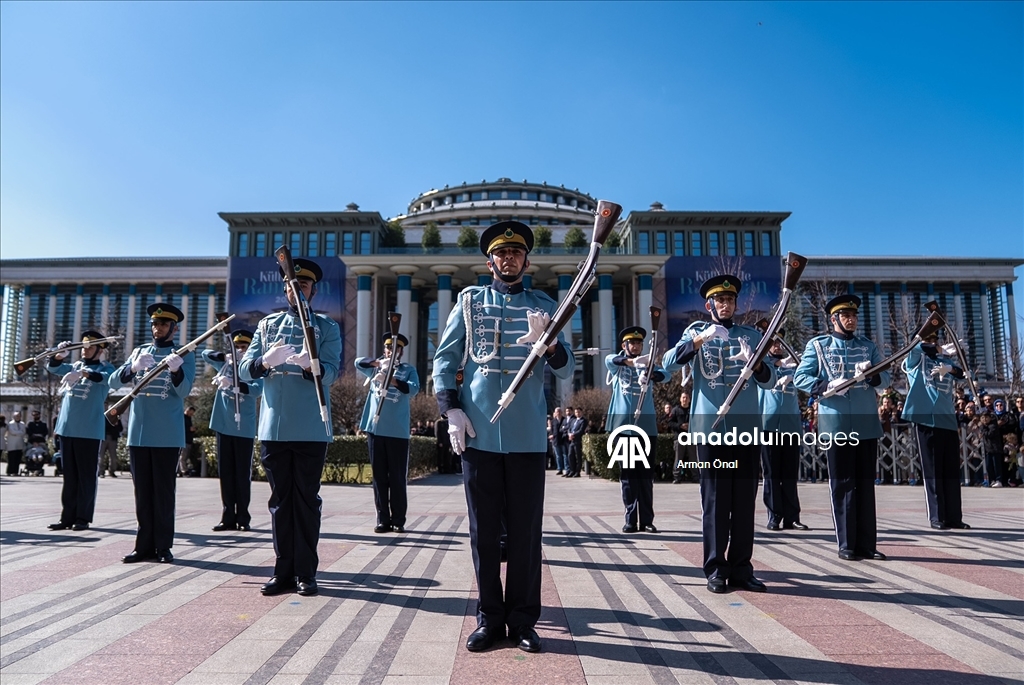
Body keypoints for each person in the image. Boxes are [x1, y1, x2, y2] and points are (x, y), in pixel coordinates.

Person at [433, 220, 574, 653]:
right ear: (490, 260)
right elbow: (445, 357)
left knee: (527, 533)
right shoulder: (469, 300)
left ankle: (523, 621)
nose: (508, 258)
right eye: (501, 253)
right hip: (478, 433)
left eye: (515, 253)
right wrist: (449, 408)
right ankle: (490, 618)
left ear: (526, 261)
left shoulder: (544, 303)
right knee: (483, 532)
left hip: (528, 435)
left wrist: (548, 345)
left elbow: (566, 367)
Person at [662, 274, 774, 594]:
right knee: (714, 502)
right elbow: (670, 362)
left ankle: (741, 568)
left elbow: (769, 379)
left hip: (746, 432)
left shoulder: (750, 336)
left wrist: (755, 362)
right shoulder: (695, 332)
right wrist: (699, 340)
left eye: (731, 300)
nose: (726, 305)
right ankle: (715, 567)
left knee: (743, 502)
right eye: (720, 300)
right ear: (709, 304)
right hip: (710, 432)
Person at [239, 257, 340, 597]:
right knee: (281, 502)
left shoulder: (326, 327)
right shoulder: (267, 326)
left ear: (312, 290)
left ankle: (306, 573)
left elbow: (333, 371)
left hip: (311, 425)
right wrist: (265, 361)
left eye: (304, 286)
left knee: (306, 502)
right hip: (274, 428)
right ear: (284, 289)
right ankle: (283, 571)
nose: (297, 290)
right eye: (291, 285)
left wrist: (308, 366)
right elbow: (244, 370)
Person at [793, 295, 889, 562]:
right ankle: (847, 543)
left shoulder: (867, 346)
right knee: (843, 484)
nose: (851, 320)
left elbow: (886, 378)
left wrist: (872, 374)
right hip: (835, 425)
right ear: (833, 319)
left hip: (866, 424)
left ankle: (867, 544)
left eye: (854, 315)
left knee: (865, 486)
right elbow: (801, 377)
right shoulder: (819, 345)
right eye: (845, 316)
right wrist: (826, 386)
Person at [110, 303, 196, 564]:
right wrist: (132, 368)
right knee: (142, 492)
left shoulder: (184, 354)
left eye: (163, 324)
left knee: (163, 493)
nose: (157, 328)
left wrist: (176, 369)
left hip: (167, 434)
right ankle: (143, 545)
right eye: (155, 324)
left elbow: (183, 392)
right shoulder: (139, 352)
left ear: (174, 327)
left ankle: (163, 546)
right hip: (139, 433)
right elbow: (114, 381)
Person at [900, 329, 971, 529]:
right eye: (928, 339)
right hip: (926, 419)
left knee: (950, 471)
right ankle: (937, 516)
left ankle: (954, 517)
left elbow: (965, 373)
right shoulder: (915, 359)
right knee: (932, 471)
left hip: (947, 418)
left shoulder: (943, 360)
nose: (932, 342)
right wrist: (935, 347)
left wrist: (950, 366)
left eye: (934, 339)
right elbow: (914, 349)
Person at [45, 331, 114, 531]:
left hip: (89, 430)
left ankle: (83, 517)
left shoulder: (105, 367)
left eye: (90, 347)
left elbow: (108, 379)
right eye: (83, 347)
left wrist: (84, 374)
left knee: (86, 476)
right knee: (69, 476)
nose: (85, 350)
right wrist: (59, 355)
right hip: (67, 428)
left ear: (100, 350)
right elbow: (53, 367)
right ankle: (67, 517)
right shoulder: (75, 366)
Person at [356, 332, 420, 534]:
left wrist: (392, 380)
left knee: (397, 478)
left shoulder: (408, 370)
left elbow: (414, 389)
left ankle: (398, 519)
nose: (392, 351)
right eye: (389, 348)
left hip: (397, 431)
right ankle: (383, 519)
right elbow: (358, 363)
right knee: (379, 477)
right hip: (376, 429)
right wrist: (377, 364)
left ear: (401, 351)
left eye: (396, 349)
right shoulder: (377, 367)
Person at [605, 326, 667, 534]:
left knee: (645, 477)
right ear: (625, 345)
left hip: (646, 428)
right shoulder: (619, 365)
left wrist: (651, 374)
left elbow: (665, 375)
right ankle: (631, 519)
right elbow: (609, 360)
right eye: (632, 343)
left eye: (639, 343)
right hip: (625, 429)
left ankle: (647, 520)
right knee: (629, 477)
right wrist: (631, 362)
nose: (636, 346)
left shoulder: (647, 364)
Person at [202, 330, 262, 532]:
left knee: (242, 474)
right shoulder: (227, 364)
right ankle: (228, 516)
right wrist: (225, 357)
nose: (240, 351)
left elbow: (258, 389)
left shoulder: (253, 368)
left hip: (243, 426)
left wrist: (238, 384)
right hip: (223, 424)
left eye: (244, 347)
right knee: (226, 473)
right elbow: (205, 354)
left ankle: (243, 517)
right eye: (237, 347)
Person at [759, 336, 808, 531]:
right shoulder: (763, 365)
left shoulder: (794, 365)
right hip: (768, 425)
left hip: (790, 426)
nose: (777, 347)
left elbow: (807, 378)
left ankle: (792, 517)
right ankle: (774, 516)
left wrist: (793, 374)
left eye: (780, 343)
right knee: (771, 473)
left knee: (789, 473)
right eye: (773, 343)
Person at [565, 407, 588, 478]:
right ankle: (572, 470)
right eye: (576, 412)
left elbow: (581, 430)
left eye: (578, 412)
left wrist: (573, 434)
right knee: (570, 455)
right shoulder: (573, 420)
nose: (577, 413)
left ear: (581, 412)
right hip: (571, 440)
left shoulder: (583, 421)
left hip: (578, 440)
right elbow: (569, 428)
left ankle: (577, 472)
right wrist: (569, 434)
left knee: (578, 456)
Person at [100, 409, 123, 478]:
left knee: (113, 456)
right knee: (101, 456)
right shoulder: (104, 417)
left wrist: (116, 424)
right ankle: (101, 472)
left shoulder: (117, 419)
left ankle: (112, 471)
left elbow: (120, 428)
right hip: (104, 438)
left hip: (113, 439)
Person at [5, 411, 26, 476]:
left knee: (18, 458)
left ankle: (15, 471)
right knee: (11, 458)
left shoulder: (22, 424)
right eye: (16, 416)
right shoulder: (10, 424)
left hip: (19, 443)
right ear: (13, 417)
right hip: (12, 444)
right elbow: (12, 432)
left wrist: (17, 433)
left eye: (19, 416)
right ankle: (9, 471)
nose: (18, 417)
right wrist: (19, 433)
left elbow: (23, 432)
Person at [178, 406, 197, 476]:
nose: (191, 415)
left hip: (188, 440)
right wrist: (189, 429)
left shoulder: (189, 418)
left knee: (185, 457)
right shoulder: (182, 418)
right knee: (183, 457)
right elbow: (181, 428)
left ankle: (181, 470)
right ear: (187, 410)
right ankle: (184, 471)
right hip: (184, 440)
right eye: (191, 413)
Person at [550, 407, 569, 475]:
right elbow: (552, 430)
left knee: (565, 455)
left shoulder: (565, 420)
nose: (558, 413)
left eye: (559, 411)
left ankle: (567, 469)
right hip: (556, 440)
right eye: (557, 411)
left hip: (563, 440)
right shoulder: (553, 421)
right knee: (558, 456)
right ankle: (559, 468)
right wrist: (551, 435)